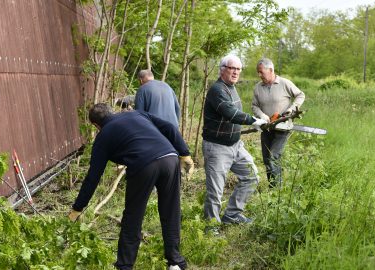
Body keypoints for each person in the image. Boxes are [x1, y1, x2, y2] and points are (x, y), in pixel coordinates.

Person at [68, 103, 194, 270]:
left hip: (144, 165)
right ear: (112, 112)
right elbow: (170, 127)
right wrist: (184, 153)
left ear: (96, 125)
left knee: (133, 217)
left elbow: (93, 177)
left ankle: (125, 266)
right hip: (170, 158)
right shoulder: (136, 114)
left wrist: (78, 207)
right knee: (171, 211)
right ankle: (175, 262)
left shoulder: (103, 136)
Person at [202, 55, 267, 225]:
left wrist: (256, 122)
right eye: (232, 68)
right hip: (217, 147)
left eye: (238, 69)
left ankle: (232, 215)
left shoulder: (231, 87)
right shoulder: (217, 90)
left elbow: (234, 113)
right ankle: (211, 226)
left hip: (235, 146)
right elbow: (230, 113)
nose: (236, 72)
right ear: (222, 69)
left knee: (251, 176)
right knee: (215, 191)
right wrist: (252, 120)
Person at [252, 58, 305, 188]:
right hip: (266, 128)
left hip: (283, 128)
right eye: (258, 72)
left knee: (273, 157)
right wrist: (262, 115)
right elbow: (254, 106)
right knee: (266, 160)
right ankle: (273, 188)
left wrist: (291, 109)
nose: (259, 75)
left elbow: (300, 95)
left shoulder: (284, 83)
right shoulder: (258, 87)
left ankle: (277, 189)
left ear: (270, 70)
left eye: (261, 72)